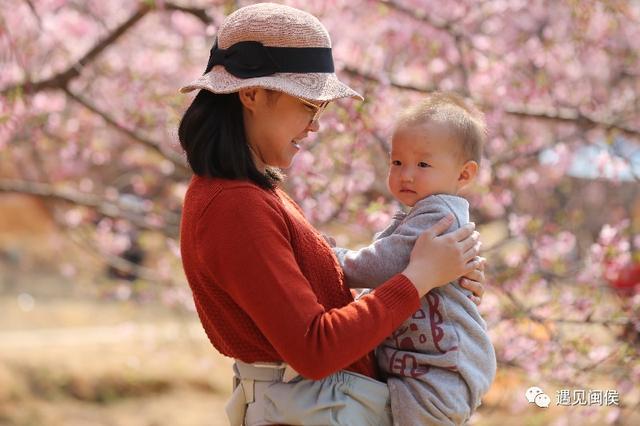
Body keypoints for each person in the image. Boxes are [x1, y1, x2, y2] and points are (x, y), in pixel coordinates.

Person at [177, 3, 486, 425]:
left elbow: (320, 287)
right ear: (251, 94)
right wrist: (418, 278)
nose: (315, 125)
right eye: (308, 106)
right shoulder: (233, 206)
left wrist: (442, 279)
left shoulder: (252, 194)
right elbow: (315, 348)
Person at [330, 92, 497, 425]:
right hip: (428, 365)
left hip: (442, 370)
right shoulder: (420, 213)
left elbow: (377, 266)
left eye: (422, 164)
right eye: (397, 162)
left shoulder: (438, 216)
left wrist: (326, 255)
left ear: (463, 175)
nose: (406, 174)